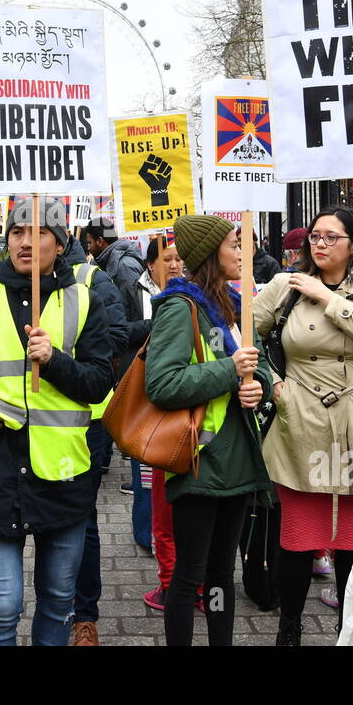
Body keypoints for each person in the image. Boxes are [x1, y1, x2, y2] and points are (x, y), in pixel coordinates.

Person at [0, 197, 113, 646]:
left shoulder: (84, 300)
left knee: (56, 600)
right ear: (6, 239)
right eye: (17, 232)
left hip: (64, 476)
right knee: (0, 606)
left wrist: (54, 361)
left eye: (40, 233)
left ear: (60, 242)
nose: (26, 241)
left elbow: (99, 381)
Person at [254, 206, 353, 646]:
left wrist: (327, 297)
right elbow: (242, 335)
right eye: (315, 235)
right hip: (302, 419)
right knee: (298, 534)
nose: (319, 243)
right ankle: (289, 626)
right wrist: (272, 383)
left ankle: (347, 628)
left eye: (332, 237)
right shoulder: (284, 285)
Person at [147, 214, 271, 646]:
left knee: (222, 575)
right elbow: (162, 384)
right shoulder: (180, 308)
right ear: (210, 255)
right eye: (235, 244)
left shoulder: (234, 306)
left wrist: (260, 388)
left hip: (238, 464)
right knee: (189, 577)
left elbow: (261, 370)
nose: (242, 252)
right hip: (200, 464)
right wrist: (228, 371)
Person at [61, 232, 133, 645]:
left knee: (81, 518)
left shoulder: (90, 277)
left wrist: (74, 356)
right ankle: (50, 606)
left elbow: (118, 334)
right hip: (26, 424)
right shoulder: (5, 282)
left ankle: (84, 615)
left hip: (84, 420)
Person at [132, 236, 183, 608]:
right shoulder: (136, 292)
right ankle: (168, 577)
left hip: (188, 421)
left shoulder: (192, 300)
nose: (174, 265)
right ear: (151, 264)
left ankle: (179, 582)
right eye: (167, 258)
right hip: (151, 414)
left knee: (177, 509)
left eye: (180, 258)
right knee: (156, 497)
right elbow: (119, 332)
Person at [82, 217, 146, 299]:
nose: (88, 248)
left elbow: (134, 306)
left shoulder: (125, 267)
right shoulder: (100, 262)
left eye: (89, 243)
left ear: (100, 241)